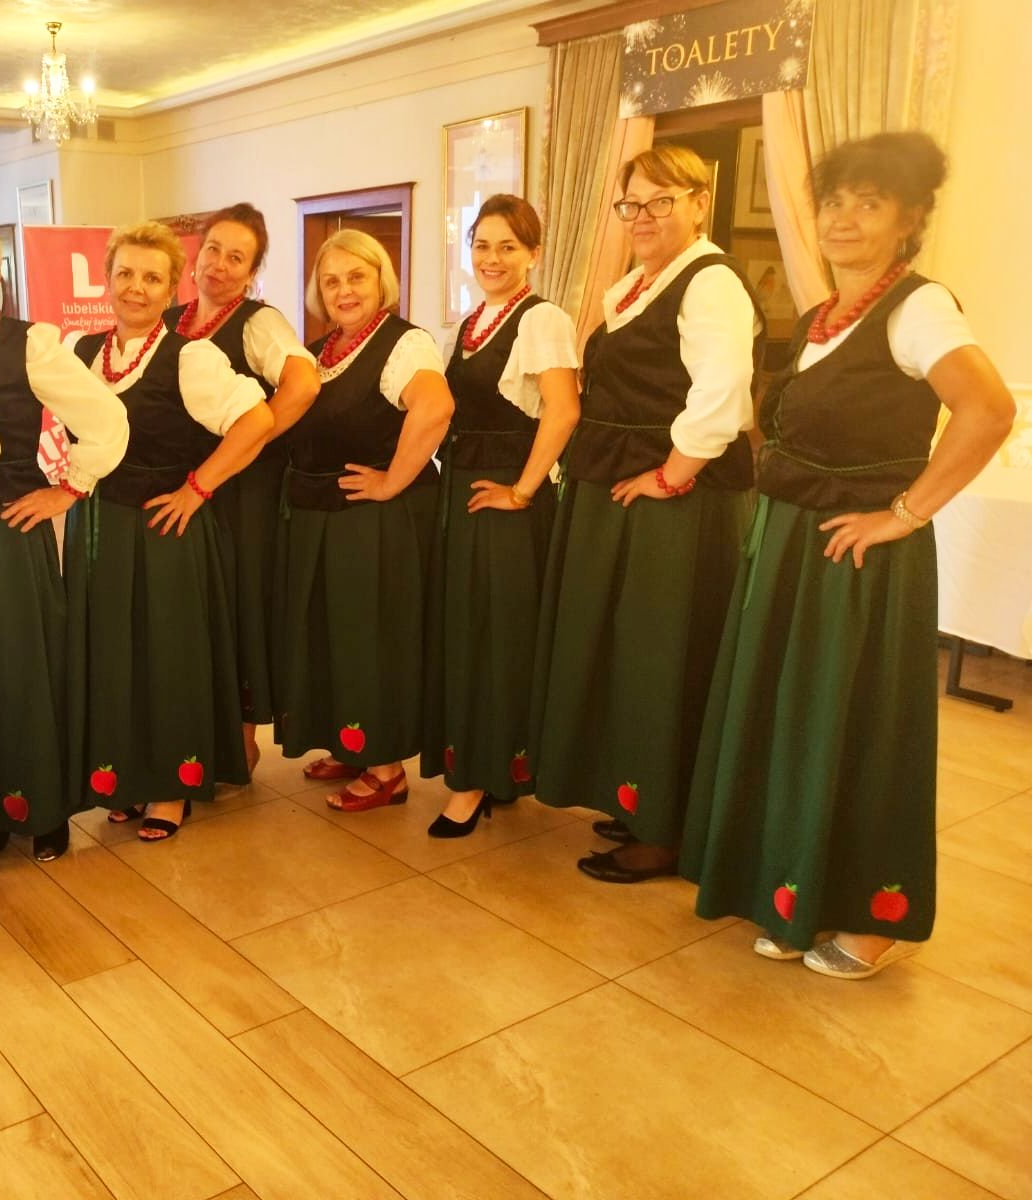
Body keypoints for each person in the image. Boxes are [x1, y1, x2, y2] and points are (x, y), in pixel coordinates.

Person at [681, 132, 1015, 978]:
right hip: (794, 545)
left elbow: (988, 410)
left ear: (909, 219)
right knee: (796, 721)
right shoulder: (824, 316)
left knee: (856, 727)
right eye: (834, 201)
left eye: (869, 203)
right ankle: (796, 892)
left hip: (855, 559)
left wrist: (903, 514)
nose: (843, 219)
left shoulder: (919, 308)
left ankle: (872, 920)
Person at [530, 144, 761, 882]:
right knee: (625, 653)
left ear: (700, 203)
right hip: (622, 491)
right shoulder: (635, 285)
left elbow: (723, 390)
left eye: (663, 200)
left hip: (674, 508)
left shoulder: (711, 281)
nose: (644, 216)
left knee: (662, 657)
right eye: (632, 203)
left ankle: (666, 828)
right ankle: (638, 797)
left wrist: (673, 472)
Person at [0, 208, 128, 862]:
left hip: (9, 533)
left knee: (22, 670)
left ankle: (42, 809)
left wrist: (66, 490)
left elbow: (108, 420)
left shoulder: (31, 344)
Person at [67, 221, 272, 840]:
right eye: (125, 274)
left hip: (165, 532)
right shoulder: (80, 352)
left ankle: (171, 788)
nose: (136, 287)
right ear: (107, 280)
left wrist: (198, 487)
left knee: (168, 657)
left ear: (171, 288)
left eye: (152, 277)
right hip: (99, 529)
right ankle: (126, 777)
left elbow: (257, 420)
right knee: (114, 655)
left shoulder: (191, 357)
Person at [276, 228, 454, 810]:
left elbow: (436, 407)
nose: (344, 290)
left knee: (370, 638)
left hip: (372, 523)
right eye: (331, 281)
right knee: (334, 637)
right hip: (325, 519)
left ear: (382, 280)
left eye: (357, 276)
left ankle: (386, 768)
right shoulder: (321, 351)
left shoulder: (403, 344)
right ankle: (352, 743)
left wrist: (391, 480)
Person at [420, 196, 580, 836]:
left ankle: (477, 780)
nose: (492, 258)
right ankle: (488, 769)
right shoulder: (469, 325)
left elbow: (563, 411)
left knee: (497, 639)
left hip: (507, 500)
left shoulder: (541, 319)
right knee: (469, 634)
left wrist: (521, 491)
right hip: (464, 494)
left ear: (533, 254)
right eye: (482, 245)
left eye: (507, 247)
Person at [164, 205, 320, 772]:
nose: (220, 265)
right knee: (194, 603)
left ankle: (241, 739)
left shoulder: (259, 322)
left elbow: (304, 385)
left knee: (237, 601)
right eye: (214, 250)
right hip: (182, 482)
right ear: (196, 254)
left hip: (241, 490)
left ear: (252, 272)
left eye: (237, 258)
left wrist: (250, 440)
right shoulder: (170, 320)